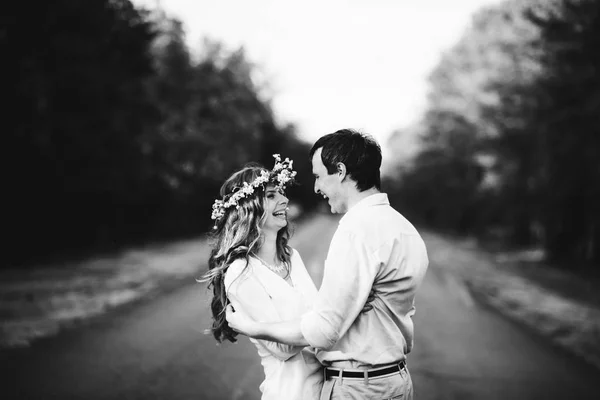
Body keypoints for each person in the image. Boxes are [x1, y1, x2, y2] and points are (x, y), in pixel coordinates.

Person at [226, 129, 429, 400]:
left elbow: (323, 330)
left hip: (360, 388)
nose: (316, 187)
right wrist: (346, 309)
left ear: (341, 171)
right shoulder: (405, 229)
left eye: (319, 176)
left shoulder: (355, 231)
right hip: (396, 381)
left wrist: (252, 328)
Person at [200, 155, 323, 400]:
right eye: (271, 195)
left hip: (328, 388)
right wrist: (327, 323)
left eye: (281, 193)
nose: (285, 199)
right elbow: (283, 349)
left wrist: (323, 321)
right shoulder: (240, 271)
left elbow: (322, 318)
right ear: (248, 208)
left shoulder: (292, 257)